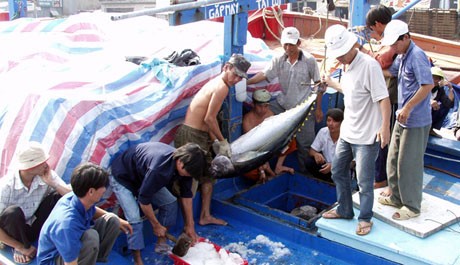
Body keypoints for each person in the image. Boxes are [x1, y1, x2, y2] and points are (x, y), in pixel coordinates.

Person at [320, 25, 391, 236]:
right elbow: (352, 91)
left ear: (352, 45)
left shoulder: (370, 66)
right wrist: (333, 83)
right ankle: (344, 209)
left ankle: (365, 217)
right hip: (348, 133)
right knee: (337, 171)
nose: (339, 58)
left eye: (341, 53)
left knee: (364, 182)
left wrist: (384, 128)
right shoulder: (347, 66)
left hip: (367, 136)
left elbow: (383, 99)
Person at [174, 54, 251, 226]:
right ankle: (187, 225)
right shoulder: (221, 87)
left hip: (201, 136)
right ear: (226, 68)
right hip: (191, 136)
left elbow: (207, 121)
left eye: (241, 77)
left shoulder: (221, 84)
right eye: (235, 74)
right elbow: (210, 118)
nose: (237, 79)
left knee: (208, 177)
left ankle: (204, 216)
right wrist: (223, 141)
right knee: (190, 183)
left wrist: (213, 141)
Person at [110, 142, 206, 265]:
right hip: (123, 177)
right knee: (135, 219)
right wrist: (155, 225)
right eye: (188, 173)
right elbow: (144, 200)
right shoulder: (159, 169)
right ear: (180, 163)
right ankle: (137, 260)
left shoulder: (187, 167)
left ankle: (161, 242)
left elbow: (186, 195)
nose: (189, 176)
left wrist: (189, 224)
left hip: (145, 176)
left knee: (170, 202)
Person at [247, 26, 323, 174]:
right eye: (285, 44)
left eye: (291, 44)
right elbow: (265, 74)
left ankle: (304, 174)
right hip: (283, 105)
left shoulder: (309, 60)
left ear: (298, 43)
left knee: (305, 145)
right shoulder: (278, 59)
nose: (288, 48)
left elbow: (319, 84)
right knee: (263, 120)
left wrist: (318, 109)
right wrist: (247, 82)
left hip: (303, 107)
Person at [379, 20, 434, 220]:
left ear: (406, 38)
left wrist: (408, 107)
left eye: (396, 43)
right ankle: (396, 197)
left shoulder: (417, 56)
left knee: (408, 164)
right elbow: (391, 73)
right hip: (402, 119)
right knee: (392, 159)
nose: (393, 48)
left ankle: (412, 206)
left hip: (416, 120)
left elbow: (427, 85)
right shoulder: (401, 56)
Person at [37, 162, 133, 265]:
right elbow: (70, 263)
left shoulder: (79, 197)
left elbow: (93, 210)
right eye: (103, 187)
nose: (105, 190)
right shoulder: (66, 223)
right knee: (91, 237)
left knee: (112, 220)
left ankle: (95, 259)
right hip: (57, 258)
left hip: (73, 242)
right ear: (91, 191)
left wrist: (119, 220)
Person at [0, 142, 71, 264]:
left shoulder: (46, 175)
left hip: (34, 224)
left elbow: (72, 197)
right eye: (42, 162)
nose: (46, 165)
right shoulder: (6, 186)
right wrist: (19, 246)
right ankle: (19, 246)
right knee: (13, 212)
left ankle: (56, 236)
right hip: (14, 230)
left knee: (58, 196)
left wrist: (53, 183)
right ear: (30, 167)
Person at [360, 5, 397, 194]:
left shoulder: (393, 42)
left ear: (379, 24)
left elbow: (383, 63)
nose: (372, 34)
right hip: (387, 96)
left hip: (391, 99)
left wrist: (361, 49)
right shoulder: (392, 40)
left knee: (384, 138)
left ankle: (381, 178)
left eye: (372, 30)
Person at [242, 89, 295, 183]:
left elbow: (275, 136)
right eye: (260, 106)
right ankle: (265, 175)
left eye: (266, 106)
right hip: (255, 153)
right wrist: (262, 168)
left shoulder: (270, 114)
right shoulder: (247, 120)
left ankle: (278, 166)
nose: (263, 110)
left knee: (291, 140)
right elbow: (253, 147)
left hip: (270, 148)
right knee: (249, 172)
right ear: (253, 105)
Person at [306, 108, 343, 182]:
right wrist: (316, 154)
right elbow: (311, 151)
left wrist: (333, 166)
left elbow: (352, 162)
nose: (330, 124)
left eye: (335, 121)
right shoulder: (323, 132)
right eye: (329, 120)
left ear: (341, 123)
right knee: (308, 161)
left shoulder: (348, 136)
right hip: (326, 167)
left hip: (341, 169)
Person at [429, 66, 455, 137]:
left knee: (444, 107)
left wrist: (450, 88)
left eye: (437, 78)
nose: (435, 80)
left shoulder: (440, 90)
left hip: (429, 113)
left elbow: (448, 104)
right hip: (418, 112)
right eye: (433, 77)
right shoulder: (422, 86)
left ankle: (431, 128)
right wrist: (429, 101)